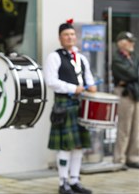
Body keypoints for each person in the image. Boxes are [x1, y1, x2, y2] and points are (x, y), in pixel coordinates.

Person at [44, 20, 97, 194]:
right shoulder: (54, 56)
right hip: (63, 104)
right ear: (60, 38)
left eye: (72, 34)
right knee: (65, 146)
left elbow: (88, 78)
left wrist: (92, 85)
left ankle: (75, 181)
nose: (70, 37)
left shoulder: (81, 58)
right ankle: (63, 182)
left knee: (79, 145)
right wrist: (73, 88)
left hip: (80, 105)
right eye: (66, 35)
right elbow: (50, 81)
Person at [112, 31, 139, 169]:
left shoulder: (134, 56)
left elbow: (134, 73)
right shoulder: (117, 57)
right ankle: (120, 158)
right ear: (121, 43)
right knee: (124, 127)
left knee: (136, 127)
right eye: (130, 41)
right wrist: (133, 73)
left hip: (135, 92)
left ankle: (133, 157)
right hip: (124, 93)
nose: (132, 44)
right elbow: (133, 73)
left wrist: (133, 73)